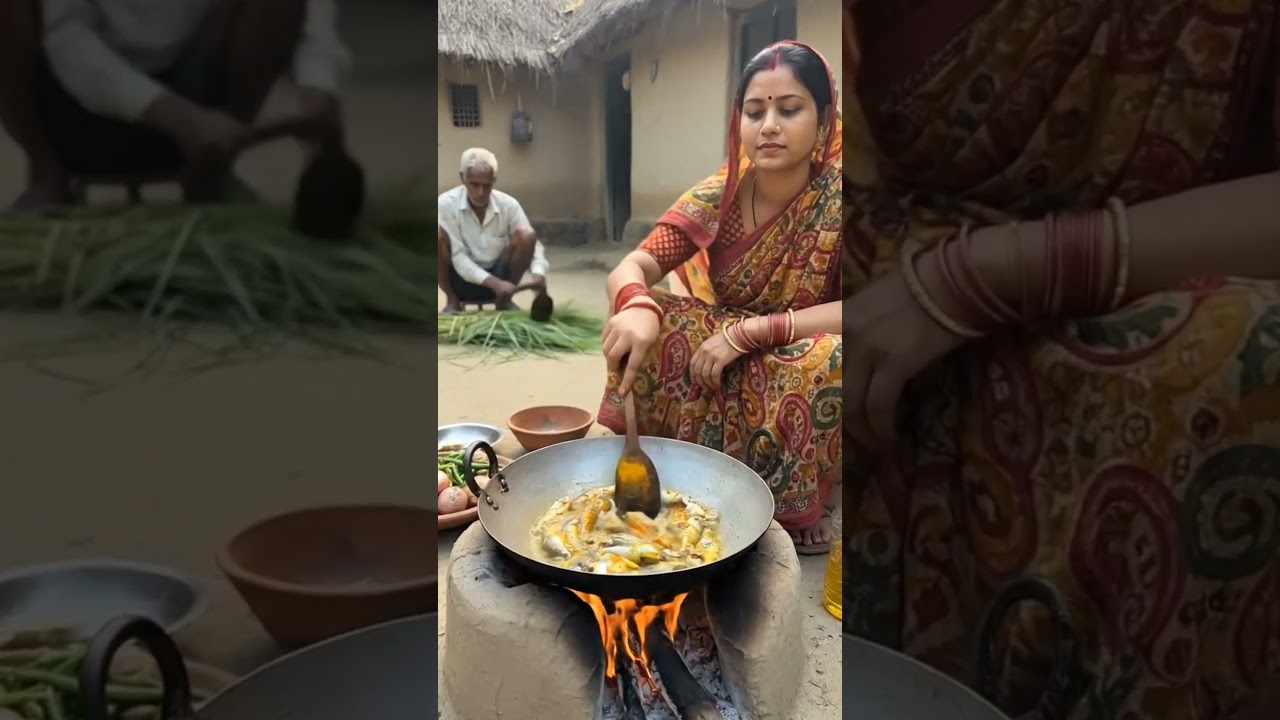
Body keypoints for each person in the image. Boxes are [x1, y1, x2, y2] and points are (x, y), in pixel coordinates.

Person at [842, 3, 1280, 719]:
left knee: (1251, 362)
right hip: (893, 278)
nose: (766, 123)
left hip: (1176, 285)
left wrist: (997, 274)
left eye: (776, 109)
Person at [598, 41, 843, 553]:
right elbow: (633, 266)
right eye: (754, 112)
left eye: (789, 109)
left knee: (828, 360)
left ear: (823, 121)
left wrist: (753, 331)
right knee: (657, 317)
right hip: (723, 347)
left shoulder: (843, 198)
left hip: (803, 345)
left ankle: (796, 495)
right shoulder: (723, 192)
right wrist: (638, 305)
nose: (769, 126)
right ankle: (665, 453)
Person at [0, 0, 350, 211]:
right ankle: (47, 172)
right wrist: (180, 118)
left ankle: (212, 170)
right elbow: (69, 43)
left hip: (204, 92)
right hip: (74, 105)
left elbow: (310, 10)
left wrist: (318, 86)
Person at [437, 147, 549, 314]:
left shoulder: (508, 204)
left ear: (494, 180)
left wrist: (538, 273)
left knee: (526, 236)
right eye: (474, 185)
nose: (481, 192)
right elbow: (458, 257)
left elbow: (533, 244)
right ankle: (452, 300)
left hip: (500, 275)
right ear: (463, 178)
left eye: (487, 186)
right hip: (460, 279)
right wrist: (495, 284)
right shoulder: (446, 204)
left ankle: (505, 299)